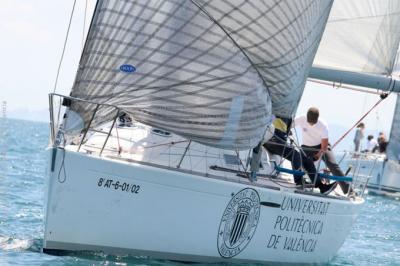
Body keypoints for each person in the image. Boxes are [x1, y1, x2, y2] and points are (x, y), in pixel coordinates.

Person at [263, 116, 337, 194]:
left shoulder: (289, 114)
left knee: (306, 158)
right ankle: (299, 181)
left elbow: (286, 128)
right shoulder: (276, 109)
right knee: (295, 154)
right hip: (271, 138)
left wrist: (287, 132)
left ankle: (321, 186)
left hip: (281, 138)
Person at [294, 107, 350, 194]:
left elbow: (324, 146)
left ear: (317, 118)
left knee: (332, 164)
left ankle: (348, 189)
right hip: (306, 147)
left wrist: (318, 156)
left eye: (313, 122)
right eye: (310, 122)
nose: (311, 124)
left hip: (321, 147)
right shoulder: (301, 119)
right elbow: (289, 125)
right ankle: (304, 182)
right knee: (297, 159)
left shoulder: (323, 125)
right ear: (306, 117)